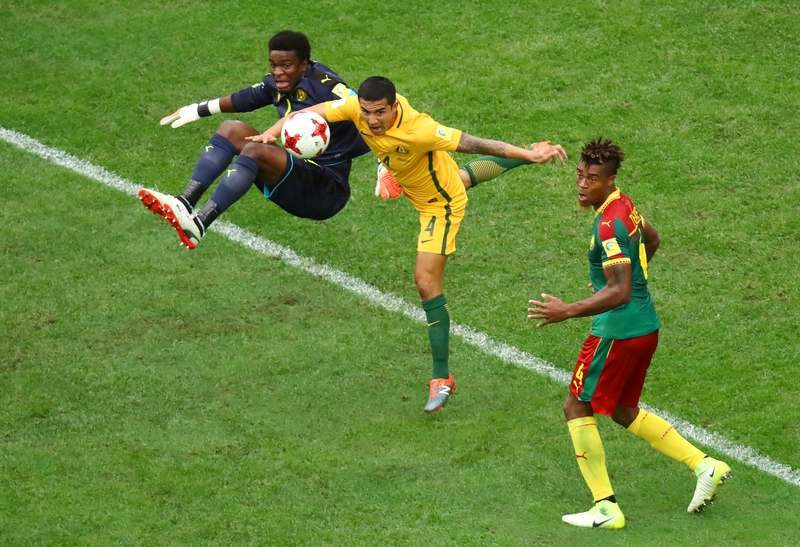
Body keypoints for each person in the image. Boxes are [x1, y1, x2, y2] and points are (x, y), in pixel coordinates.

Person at [249, 76, 567, 413]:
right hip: (422, 179)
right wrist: (273, 131)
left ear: (395, 106)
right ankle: (527, 154)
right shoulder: (357, 108)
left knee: (426, 281)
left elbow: (476, 143)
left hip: (439, 207)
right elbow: (312, 112)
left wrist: (525, 155)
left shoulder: (421, 130)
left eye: (380, 113)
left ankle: (442, 378)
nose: (372, 120)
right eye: (368, 112)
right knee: (458, 177)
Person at [527, 138, 731, 529]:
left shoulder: (608, 224)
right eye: (580, 175)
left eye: (593, 178)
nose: (583, 184)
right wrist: (622, 283)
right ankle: (705, 465)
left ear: (610, 180)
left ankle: (605, 507)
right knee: (622, 410)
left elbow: (619, 291)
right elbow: (652, 240)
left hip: (616, 332)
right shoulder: (623, 205)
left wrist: (567, 310)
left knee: (576, 406)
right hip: (645, 327)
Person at [137, 30, 370, 248]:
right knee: (232, 129)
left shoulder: (328, 88)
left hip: (326, 191)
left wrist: (385, 163)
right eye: (274, 65)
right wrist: (198, 110)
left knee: (256, 151)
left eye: (286, 65)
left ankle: (199, 223)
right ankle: (184, 202)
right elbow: (246, 98)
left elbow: (370, 119)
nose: (278, 72)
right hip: (298, 174)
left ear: (304, 64)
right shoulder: (278, 83)